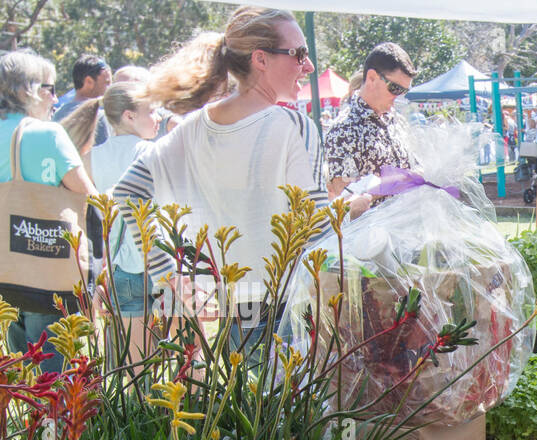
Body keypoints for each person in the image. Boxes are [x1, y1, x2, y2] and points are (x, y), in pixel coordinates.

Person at [114, 5, 327, 357]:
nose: (309, 65)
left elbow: (129, 192)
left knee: (245, 405)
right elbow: (317, 229)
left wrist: (169, 277)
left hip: (235, 306)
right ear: (261, 58)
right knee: (282, 408)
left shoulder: (193, 127)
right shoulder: (294, 126)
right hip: (287, 308)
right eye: (299, 54)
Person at [1, 49, 96, 372]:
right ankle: (52, 424)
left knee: (20, 374)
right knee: (53, 377)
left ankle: (30, 424)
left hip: (5, 271)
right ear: (24, 89)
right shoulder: (47, 134)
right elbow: (87, 196)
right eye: (49, 88)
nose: (56, 99)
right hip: (46, 270)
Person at [81, 83, 160, 348]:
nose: (158, 117)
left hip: (119, 268)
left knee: (136, 367)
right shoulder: (152, 152)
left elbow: (86, 222)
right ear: (129, 115)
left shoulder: (89, 159)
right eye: (151, 111)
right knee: (182, 359)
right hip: (159, 265)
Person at [324, 42, 417, 211]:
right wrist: (390, 183)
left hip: (413, 229)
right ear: (372, 77)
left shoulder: (397, 121)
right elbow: (346, 202)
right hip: (374, 234)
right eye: (395, 88)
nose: (399, 97)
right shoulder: (343, 130)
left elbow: (414, 167)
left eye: (404, 91)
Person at [53, 54, 110, 146]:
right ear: (89, 82)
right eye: (107, 83)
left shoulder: (57, 115)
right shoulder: (97, 116)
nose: (109, 88)